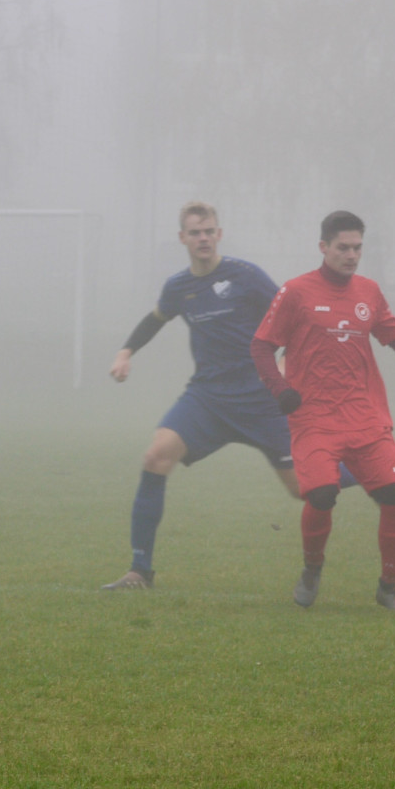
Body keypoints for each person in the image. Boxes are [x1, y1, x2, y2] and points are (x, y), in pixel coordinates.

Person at [102, 201, 355, 591]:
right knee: (156, 455)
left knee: (303, 489)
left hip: (261, 399)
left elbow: (294, 315)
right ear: (183, 238)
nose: (203, 238)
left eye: (209, 231)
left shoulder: (245, 276)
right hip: (209, 398)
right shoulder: (178, 287)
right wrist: (125, 352)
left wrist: (288, 362)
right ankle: (139, 571)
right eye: (195, 232)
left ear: (219, 234)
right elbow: (155, 319)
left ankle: (368, 470)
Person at [251, 210, 395, 612]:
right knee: (323, 495)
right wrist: (281, 389)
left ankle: (389, 588)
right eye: (343, 247)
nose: (351, 255)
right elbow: (260, 346)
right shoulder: (295, 292)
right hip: (314, 418)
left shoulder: (369, 292)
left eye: (357, 247)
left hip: (364, 415)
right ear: (323, 247)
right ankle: (312, 569)